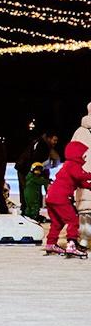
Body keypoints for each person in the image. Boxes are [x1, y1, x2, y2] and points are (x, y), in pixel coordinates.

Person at [44, 141, 91, 257]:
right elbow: (80, 175)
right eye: (83, 153)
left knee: (57, 222)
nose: (85, 156)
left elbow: (82, 182)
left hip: (51, 196)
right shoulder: (72, 164)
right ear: (76, 154)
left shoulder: (69, 166)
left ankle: (51, 243)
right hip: (60, 197)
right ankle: (71, 244)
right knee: (73, 220)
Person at [71, 102, 91, 246]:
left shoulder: (79, 132)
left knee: (86, 210)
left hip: (83, 175)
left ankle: (84, 239)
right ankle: (84, 238)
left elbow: (71, 155)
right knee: (86, 210)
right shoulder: (81, 132)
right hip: (84, 177)